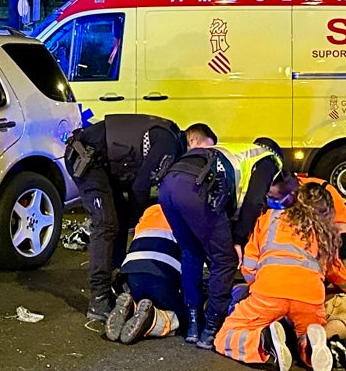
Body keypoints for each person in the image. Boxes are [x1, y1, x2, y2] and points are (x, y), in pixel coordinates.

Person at [214, 182, 346, 371]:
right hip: (308, 300)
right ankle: (308, 346)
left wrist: (257, 288)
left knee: (224, 337)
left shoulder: (269, 219)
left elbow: (249, 265)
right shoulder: (324, 232)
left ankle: (262, 343)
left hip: (269, 292)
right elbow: (337, 272)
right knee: (307, 331)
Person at [64, 114, 185, 321]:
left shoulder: (167, 134)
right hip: (86, 159)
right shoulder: (169, 143)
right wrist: (138, 221)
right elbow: (140, 186)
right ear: (191, 140)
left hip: (101, 161)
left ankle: (115, 279)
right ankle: (99, 297)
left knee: (117, 220)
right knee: (106, 224)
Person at [157, 122, 237, 348]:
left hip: (167, 189)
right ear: (200, 140)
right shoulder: (222, 155)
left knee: (191, 252)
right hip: (196, 188)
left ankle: (193, 322)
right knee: (225, 259)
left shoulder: (183, 156)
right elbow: (235, 200)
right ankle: (212, 326)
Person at [104, 204, 184, 344]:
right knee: (183, 317)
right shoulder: (190, 213)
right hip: (161, 279)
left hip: (131, 275)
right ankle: (153, 319)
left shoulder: (151, 210)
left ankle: (132, 309)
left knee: (144, 294)